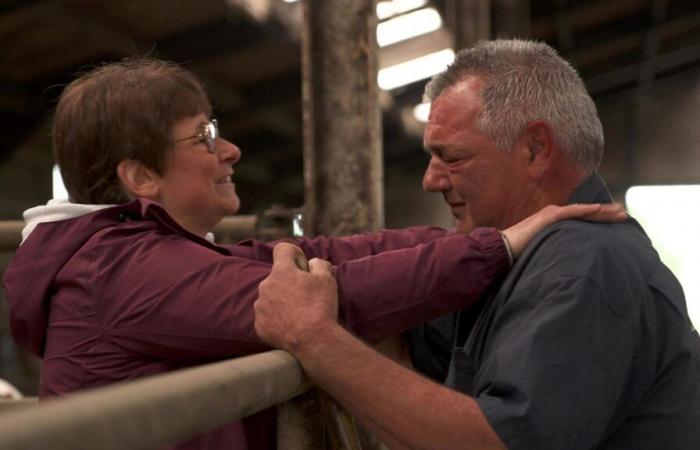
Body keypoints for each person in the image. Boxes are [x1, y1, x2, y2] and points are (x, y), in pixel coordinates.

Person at [1, 57, 624, 449]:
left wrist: (474, 238)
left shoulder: (157, 253)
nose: (231, 150)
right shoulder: (119, 267)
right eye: (205, 136)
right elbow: (305, 298)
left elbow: (318, 253)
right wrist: (499, 246)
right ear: (140, 177)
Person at [254, 39, 700, 449]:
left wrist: (313, 338)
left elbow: (496, 443)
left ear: (535, 150)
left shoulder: (585, 263)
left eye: (453, 157)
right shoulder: (519, 260)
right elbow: (411, 338)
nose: (431, 180)